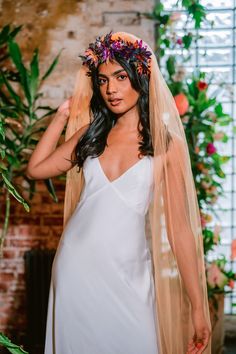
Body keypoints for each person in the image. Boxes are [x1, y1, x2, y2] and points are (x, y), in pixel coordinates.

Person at [26, 32, 212, 354]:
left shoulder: (166, 147)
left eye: (121, 77)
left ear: (140, 77)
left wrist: (198, 305)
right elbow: (36, 169)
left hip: (129, 277)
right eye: (102, 80)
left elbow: (180, 230)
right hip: (75, 269)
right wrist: (60, 118)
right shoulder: (90, 135)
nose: (110, 89)